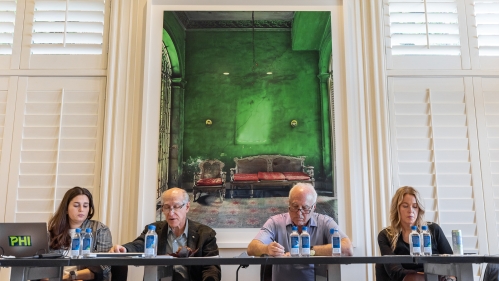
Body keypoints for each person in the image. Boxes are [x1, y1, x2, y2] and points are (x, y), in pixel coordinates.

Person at [247, 183, 353, 281]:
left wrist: (308, 251)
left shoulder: (325, 222)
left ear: (313, 208)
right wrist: (267, 248)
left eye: (305, 208)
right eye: (295, 206)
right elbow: (251, 248)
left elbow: (347, 249)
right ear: (288, 205)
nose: (299, 213)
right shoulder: (275, 222)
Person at [110, 187, 221, 281]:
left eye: (176, 207)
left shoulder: (205, 234)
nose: (171, 213)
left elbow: (211, 267)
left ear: (187, 207)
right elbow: (139, 244)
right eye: (166, 207)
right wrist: (125, 249)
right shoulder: (154, 230)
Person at [377, 186, 454, 281]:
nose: (410, 210)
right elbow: (395, 271)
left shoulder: (434, 230)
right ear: (397, 209)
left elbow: (452, 263)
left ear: (419, 209)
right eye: (405, 206)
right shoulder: (386, 235)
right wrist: (430, 277)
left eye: (415, 206)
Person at [48, 186, 113, 281]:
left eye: (85, 206)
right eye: (76, 205)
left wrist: (71, 276)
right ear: (66, 209)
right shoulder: (53, 232)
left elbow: (103, 267)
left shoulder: (100, 230)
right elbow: (43, 264)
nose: (81, 209)